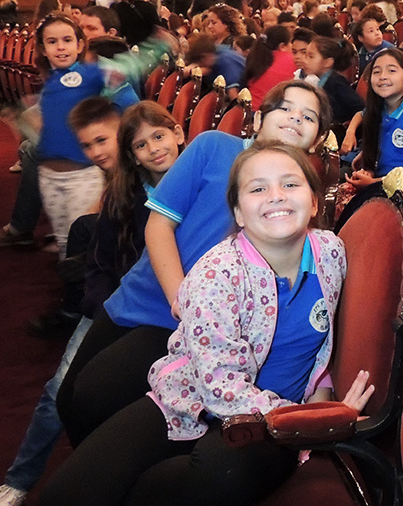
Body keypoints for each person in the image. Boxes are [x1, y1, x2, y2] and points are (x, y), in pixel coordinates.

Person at [41, 142, 375, 506]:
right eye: (258, 188)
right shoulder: (215, 275)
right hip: (193, 395)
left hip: (266, 425)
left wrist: (319, 402)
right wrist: (307, 418)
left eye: (290, 184)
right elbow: (220, 387)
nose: (276, 196)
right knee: (68, 494)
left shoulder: (331, 253)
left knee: (219, 475)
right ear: (238, 212)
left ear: (313, 202)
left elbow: (322, 344)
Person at [56, 81, 333, 448]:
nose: (295, 118)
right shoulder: (214, 146)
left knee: (95, 397)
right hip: (152, 294)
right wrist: (182, 300)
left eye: (308, 116)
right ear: (261, 116)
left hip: (199, 329)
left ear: (317, 139)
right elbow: (159, 225)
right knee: (69, 398)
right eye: (285, 108)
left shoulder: (294, 201)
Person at [0, 101, 185, 506]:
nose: (153, 149)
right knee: (61, 392)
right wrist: (101, 307)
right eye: (140, 144)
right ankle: (22, 477)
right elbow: (103, 260)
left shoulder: (201, 187)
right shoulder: (125, 189)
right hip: (115, 307)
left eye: (159, 137)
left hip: (166, 315)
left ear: (178, 134)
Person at [34, 16, 139, 260]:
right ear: (43, 49)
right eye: (52, 42)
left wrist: (159, 45)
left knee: (84, 241)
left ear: (80, 45)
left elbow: (129, 67)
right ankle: (73, 286)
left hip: (81, 175)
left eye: (67, 40)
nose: (60, 47)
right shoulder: (52, 80)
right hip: (49, 176)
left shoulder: (88, 73)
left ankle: (86, 291)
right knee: (64, 241)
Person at [340, 50, 403, 212]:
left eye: (391, 70)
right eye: (377, 72)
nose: (383, 76)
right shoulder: (379, 109)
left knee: (349, 208)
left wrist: (374, 183)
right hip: (378, 178)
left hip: (402, 189)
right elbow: (361, 116)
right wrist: (367, 169)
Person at [304, 36, 364, 124]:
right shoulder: (318, 81)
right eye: (305, 55)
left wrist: (351, 125)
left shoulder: (336, 83)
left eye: (311, 56)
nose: (305, 61)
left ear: (328, 62)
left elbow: (360, 108)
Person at [244, 25, 297, 105]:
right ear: (282, 46)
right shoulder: (292, 60)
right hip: (269, 110)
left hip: (248, 108)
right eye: (290, 43)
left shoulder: (256, 56)